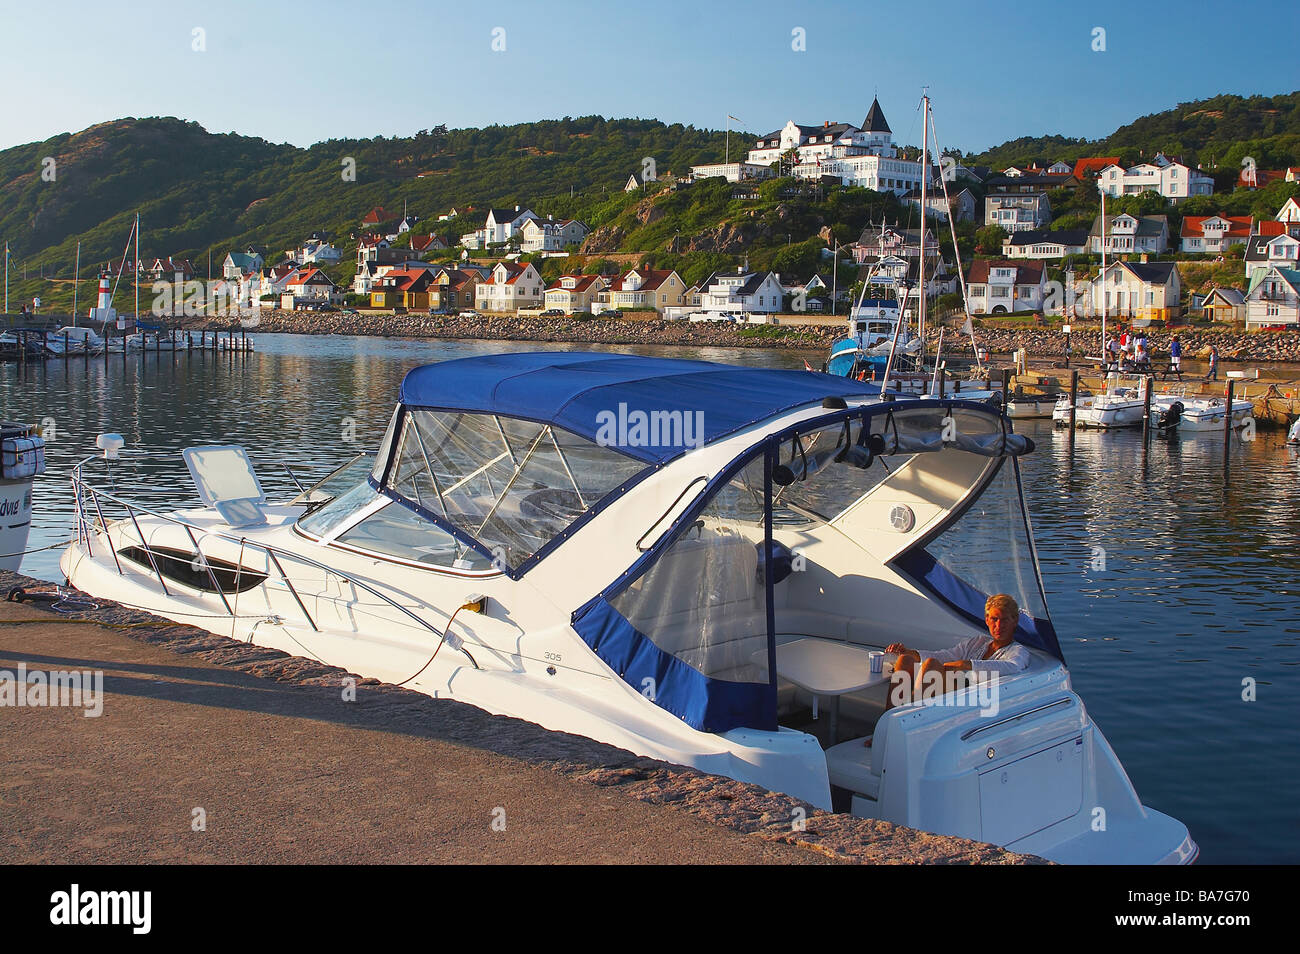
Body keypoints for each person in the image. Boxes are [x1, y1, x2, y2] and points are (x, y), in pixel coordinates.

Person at [885, 593, 1031, 709]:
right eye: (994, 619)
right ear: (987, 620)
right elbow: (947, 655)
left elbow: (1013, 666)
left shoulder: (1017, 650)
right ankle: (887, 721)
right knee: (905, 660)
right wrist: (911, 653)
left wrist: (967, 665)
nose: (999, 625)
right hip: (955, 689)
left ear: (1015, 621)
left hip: (974, 699)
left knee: (931, 666)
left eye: (1004, 620)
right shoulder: (979, 642)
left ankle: (908, 715)